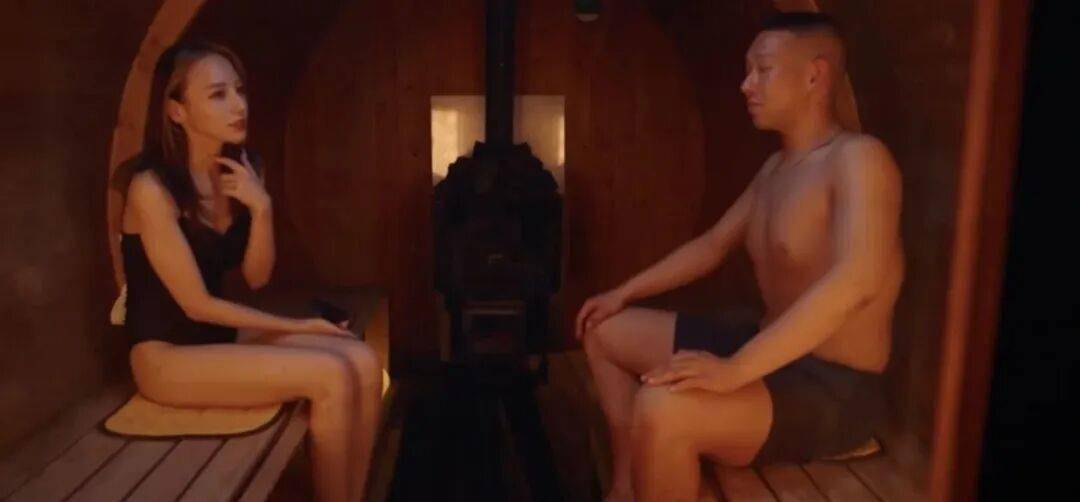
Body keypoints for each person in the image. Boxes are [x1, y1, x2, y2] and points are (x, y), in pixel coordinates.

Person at [575, 12, 905, 502]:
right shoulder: (776, 168)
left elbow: (855, 282)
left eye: (762, 70)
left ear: (814, 76)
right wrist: (622, 293)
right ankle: (625, 489)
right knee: (604, 331)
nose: (746, 85)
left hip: (832, 388)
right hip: (765, 349)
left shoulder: (859, 159)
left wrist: (734, 370)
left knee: (663, 407)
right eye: (747, 71)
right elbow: (712, 246)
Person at [119, 41, 381, 502]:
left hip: (214, 340)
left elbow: (258, 277)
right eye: (218, 94)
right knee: (331, 375)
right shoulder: (151, 189)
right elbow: (197, 305)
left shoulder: (244, 169)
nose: (239, 105)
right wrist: (300, 326)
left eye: (239, 91)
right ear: (177, 111)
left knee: (362, 359)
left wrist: (262, 209)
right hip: (165, 356)